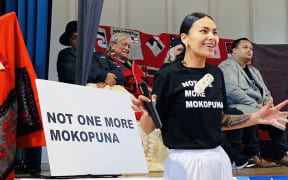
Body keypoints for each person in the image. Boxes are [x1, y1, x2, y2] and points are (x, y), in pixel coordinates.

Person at [131, 12, 288, 180]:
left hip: (218, 158)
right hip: (184, 162)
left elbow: (219, 120)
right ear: (185, 38)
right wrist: (148, 114)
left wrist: (255, 118)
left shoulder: (216, 73)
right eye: (204, 31)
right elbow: (148, 128)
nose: (212, 37)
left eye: (215, 32)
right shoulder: (168, 74)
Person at [218, 38, 288, 167]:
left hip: (258, 107)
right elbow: (232, 90)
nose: (249, 50)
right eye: (245, 47)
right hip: (236, 106)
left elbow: (265, 92)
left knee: (279, 115)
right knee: (252, 113)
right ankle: (253, 154)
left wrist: (268, 106)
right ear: (234, 51)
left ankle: (280, 154)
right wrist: (256, 106)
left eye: (251, 48)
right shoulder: (226, 66)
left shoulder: (254, 70)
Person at [57, 20, 124, 87]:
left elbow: (120, 73)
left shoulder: (101, 55)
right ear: (69, 42)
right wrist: (104, 76)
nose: (79, 40)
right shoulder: (66, 54)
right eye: (74, 37)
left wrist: (108, 79)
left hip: (105, 93)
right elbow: (72, 72)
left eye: (81, 36)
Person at [107, 32, 151, 97]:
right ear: (113, 45)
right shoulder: (106, 62)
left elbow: (146, 85)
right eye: (124, 45)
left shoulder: (133, 65)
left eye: (129, 46)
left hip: (142, 101)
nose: (127, 49)